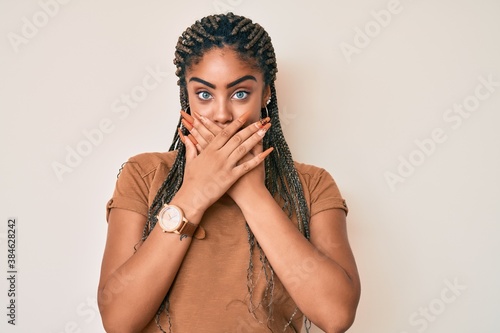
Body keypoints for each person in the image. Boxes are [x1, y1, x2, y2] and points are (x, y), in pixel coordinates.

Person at [98, 12, 360, 333]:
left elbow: (336, 316)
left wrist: (250, 193)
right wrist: (194, 194)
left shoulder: (312, 184)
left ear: (265, 94)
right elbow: (118, 321)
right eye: (204, 94)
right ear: (187, 97)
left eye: (240, 93)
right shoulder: (144, 173)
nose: (221, 114)